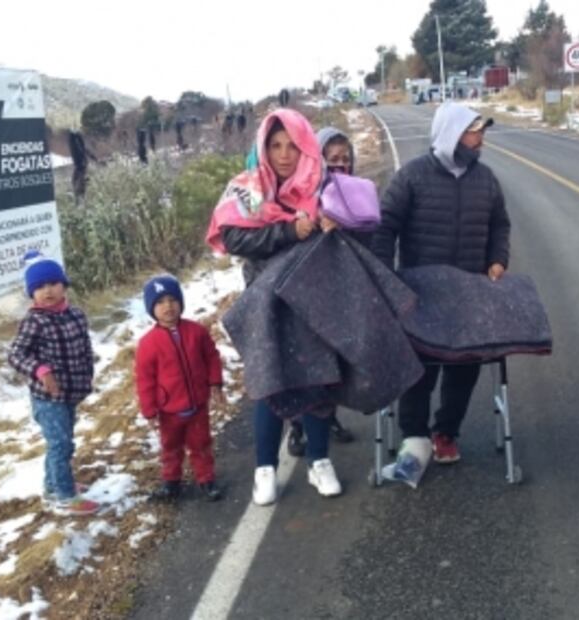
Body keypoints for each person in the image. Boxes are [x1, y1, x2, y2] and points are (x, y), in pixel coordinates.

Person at [206, 108, 344, 506]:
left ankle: (320, 461)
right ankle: (264, 469)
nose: (284, 154)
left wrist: (336, 222)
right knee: (269, 382)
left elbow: (357, 219)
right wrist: (287, 231)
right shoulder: (249, 188)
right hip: (265, 301)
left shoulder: (322, 185)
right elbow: (232, 238)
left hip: (314, 298)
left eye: (292, 145)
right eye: (275, 145)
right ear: (263, 148)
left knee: (317, 379)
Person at [371, 102, 510, 465]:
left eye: (481, 132)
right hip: (422, 293)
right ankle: (414, 435)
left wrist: (498, 259)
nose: (481, 140)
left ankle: (446, 432)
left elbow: (500, 224)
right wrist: (386, 277)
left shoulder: (487, 179)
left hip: (470, 292)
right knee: (421, 369)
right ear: (452, 134)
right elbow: (385, 227)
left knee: (464, 367)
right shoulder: (412, 176)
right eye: (473, 132)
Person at [283, 126, 366, 457]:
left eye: (346, 159)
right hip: (305, 291)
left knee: (333, 364)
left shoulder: (356, 190)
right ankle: (297, 427)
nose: (340, 166)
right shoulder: (299, 193)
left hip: (339, 287)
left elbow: (370, 232)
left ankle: (328, 418)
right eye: (332, 160)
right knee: (302, 364)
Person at [8, 251, 100, 516]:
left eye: (52, 284)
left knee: (63, 440)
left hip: (71, 392)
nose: (46, 291)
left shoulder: (76, 315)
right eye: (39, 287)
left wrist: (88, 374)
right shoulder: (34, 321)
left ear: (64, 285)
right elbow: (15, 354)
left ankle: (52, 486)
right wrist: (40, 370)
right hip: (47, 398)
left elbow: (84, 347)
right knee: (60, 444)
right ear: (31, 293)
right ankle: (65, 496)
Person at [135, 274, 225, 503]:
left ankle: (206, 479)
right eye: (160, 302)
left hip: (197, 405)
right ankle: (171, 483)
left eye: (172, 300)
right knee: (170, 447)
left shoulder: (196, 332)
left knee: (201, 444)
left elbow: (212, 357)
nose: (168, 307)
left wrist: (215, 382)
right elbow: (145, 379)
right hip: (169, 410)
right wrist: (149, 410)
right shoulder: (147, 344)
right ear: (151, 309)